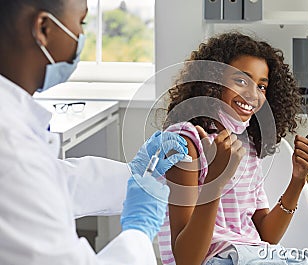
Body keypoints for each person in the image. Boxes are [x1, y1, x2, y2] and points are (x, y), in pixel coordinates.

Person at [0, 1, 188, 264]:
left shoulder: (12, 129)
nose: (81, 37)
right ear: (43, 28)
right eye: (81, 22)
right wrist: (138, 233)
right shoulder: (11, 148)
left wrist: (135, 173)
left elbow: (52, 182)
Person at [157, 32, 308, 265]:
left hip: (256, 254)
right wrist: (216, 180)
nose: (253, 94)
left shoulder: (247, 145)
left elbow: (266, 235)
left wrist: (298, 179)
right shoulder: (185, 140)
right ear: (212, 81)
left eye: (262, 86)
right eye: (240, 81)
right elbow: (187, 259)